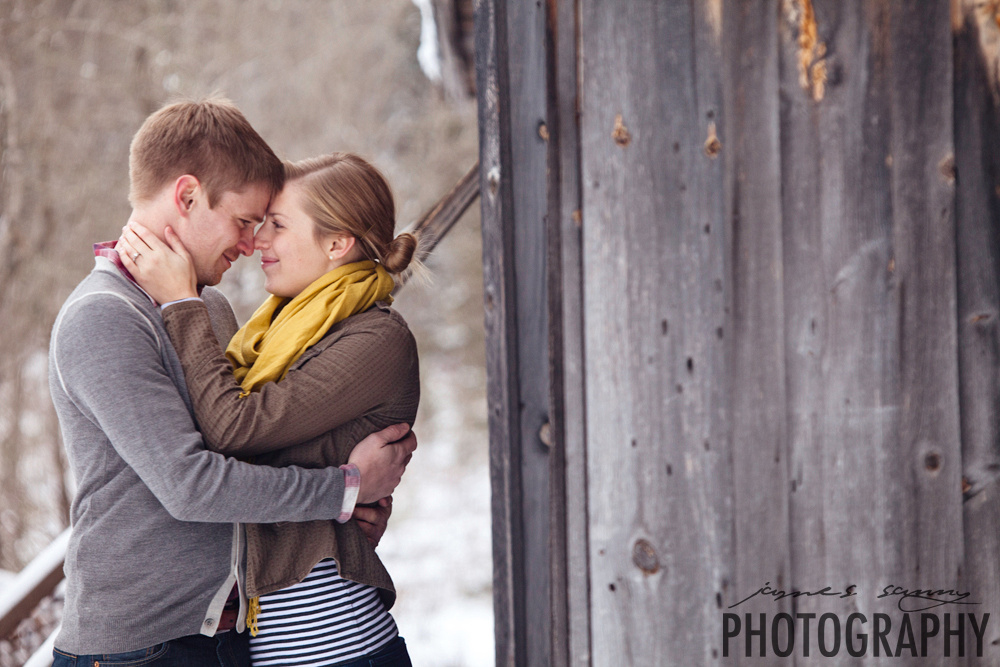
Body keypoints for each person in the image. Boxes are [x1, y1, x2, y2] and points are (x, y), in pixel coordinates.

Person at [48, 100, 416, 667]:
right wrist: (342, 491)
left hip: (228, 637)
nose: (251, 244)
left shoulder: (208, 310)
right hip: (137, 647)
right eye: (245, 221)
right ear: (188, 197)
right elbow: (193, 483)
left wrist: (348, 504)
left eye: (267, 225)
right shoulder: (103, 316)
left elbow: (249, 445)